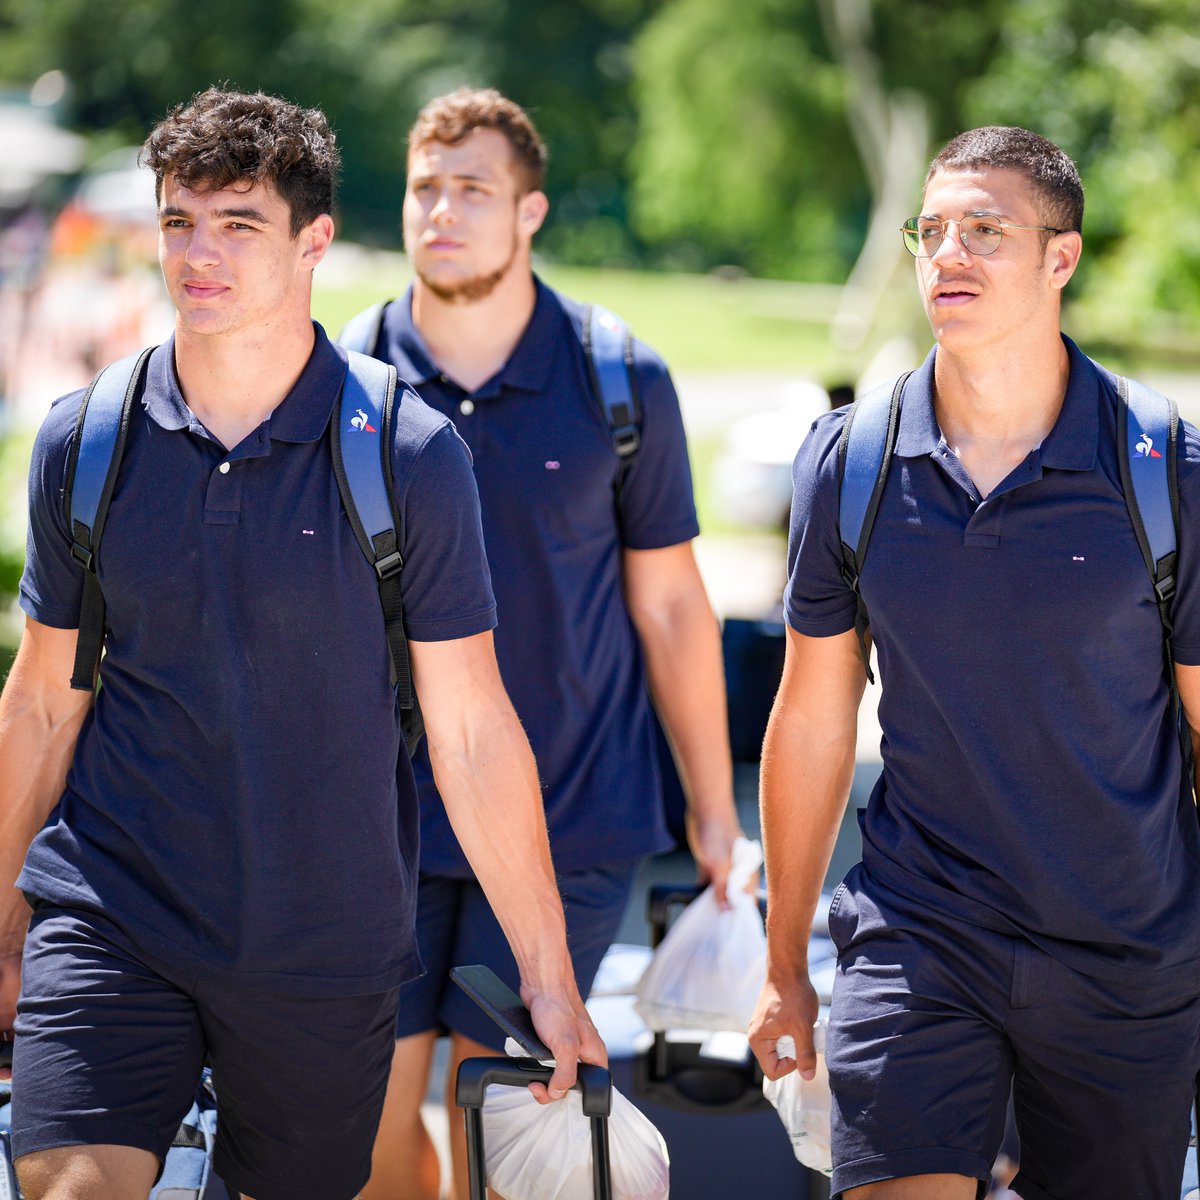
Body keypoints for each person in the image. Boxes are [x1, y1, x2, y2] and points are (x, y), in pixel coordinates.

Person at [0, 86, 604, 1200]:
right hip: (112, 908)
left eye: (239, 224)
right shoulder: (86, 442)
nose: (199, 254)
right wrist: (1, 918)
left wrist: (550, 978)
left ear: (314, 240)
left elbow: (471, 731)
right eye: (180, 221)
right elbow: (41, 699)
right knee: (72, 1186)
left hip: (324, 938)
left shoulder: (407, 454)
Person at [748, 125, 1200, 1200]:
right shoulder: (850, 464)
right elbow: (812, 718)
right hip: (920, 930)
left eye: (986, 230)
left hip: (1128, 950)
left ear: (1060, 257)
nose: (948, 253)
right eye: (933, 229)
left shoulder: (1165, 469)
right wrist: (782, 962)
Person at [342, 87, 741, 1200]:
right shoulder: (342, 382)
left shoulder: (620, 380)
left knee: (506, 1128)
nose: (442, 211)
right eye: (425, 187)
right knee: (365, 1138)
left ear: (530, 212)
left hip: (570, 816)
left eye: (473, 189)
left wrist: (715, 810)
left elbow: (672, 608)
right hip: (382, 821)